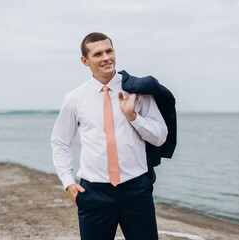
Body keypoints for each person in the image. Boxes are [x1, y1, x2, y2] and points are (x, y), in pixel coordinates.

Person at [51, 32, 168, 240]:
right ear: (85, 61)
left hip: (136, 188)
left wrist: (133, 116)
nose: (106, 57)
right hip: (93, 192)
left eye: (109, 51)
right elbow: (60, 142)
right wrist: (68, 182)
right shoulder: (74, 98)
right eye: (98, 54)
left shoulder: (137, 91)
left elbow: (160, 137)